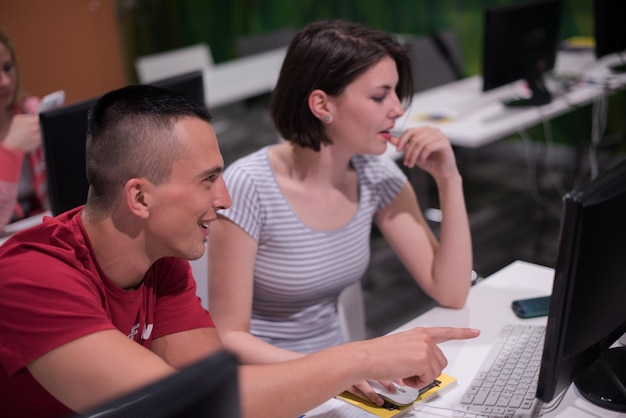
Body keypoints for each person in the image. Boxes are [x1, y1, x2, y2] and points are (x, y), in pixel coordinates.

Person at [0, 84, 478, 418]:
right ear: (139, 198)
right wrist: (358, 360)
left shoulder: (162, 261)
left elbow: (216, 390)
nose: (225, 198)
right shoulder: (32, 277)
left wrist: (346, 367)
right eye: (209, 179)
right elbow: (185, 405)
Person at [207, 19, 473, 403]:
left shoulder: (376, 173)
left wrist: (449, 180)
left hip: (348, 378)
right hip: (273, 384)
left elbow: (451, 290)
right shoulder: (250, 185)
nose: (398, 109)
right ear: (322, 105)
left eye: (396, 94)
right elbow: (228, 336)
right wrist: (338, 369)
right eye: (380, 96)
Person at [0, 29, 48, 232]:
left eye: (8, 68)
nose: (5, 81)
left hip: (42, 228)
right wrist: (9, 152)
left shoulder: (32, 110)